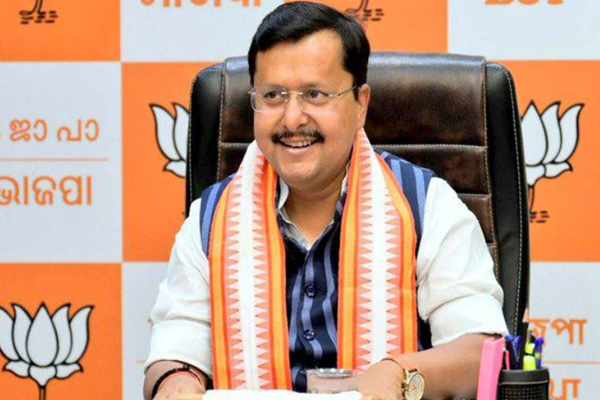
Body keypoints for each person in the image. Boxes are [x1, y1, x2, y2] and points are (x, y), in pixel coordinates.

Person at [143, 2, 508, 400]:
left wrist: (399, 373)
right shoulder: (211, 218)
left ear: (360, 103)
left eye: (315, 95)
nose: (292, 119)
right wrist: (175, 383)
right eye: (273, 95)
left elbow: (480, 352)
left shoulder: (426, 204)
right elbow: (173, 350)